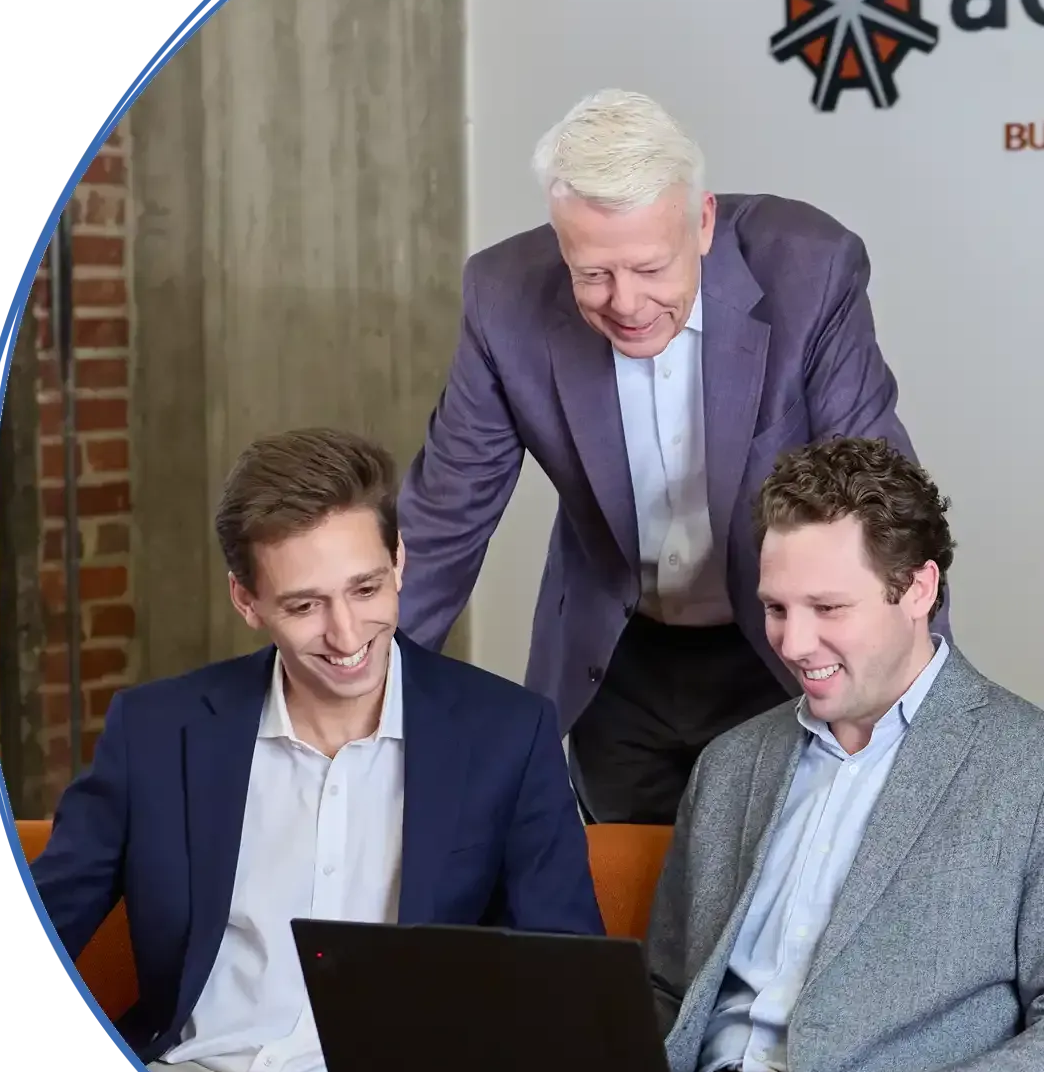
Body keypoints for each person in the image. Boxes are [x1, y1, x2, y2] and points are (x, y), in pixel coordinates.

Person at [337, 436, 1044, 1072]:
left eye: (827, 607)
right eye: (775, 608)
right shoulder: (733, 764)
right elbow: (668, 991)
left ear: (918, 590)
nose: (795, 643)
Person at [30, 428, 603, 1072]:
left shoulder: (506, 732)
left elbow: (564, 978)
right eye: (303, 605)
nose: (344, 635)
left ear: (400, 561)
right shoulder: (157, 732)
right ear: (247, 600)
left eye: (366, 589)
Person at [396, 88, 941, 825]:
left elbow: (882, 505)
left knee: (777, 907)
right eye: (593, 273)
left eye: (652, 268)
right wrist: (354, 697)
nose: (625, 302)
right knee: (627, 912)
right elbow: (443, 522)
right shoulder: (503, 297)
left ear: (703, 221)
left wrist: (920, 716)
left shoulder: (809, 271)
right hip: (618, 661)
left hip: (779, 650)